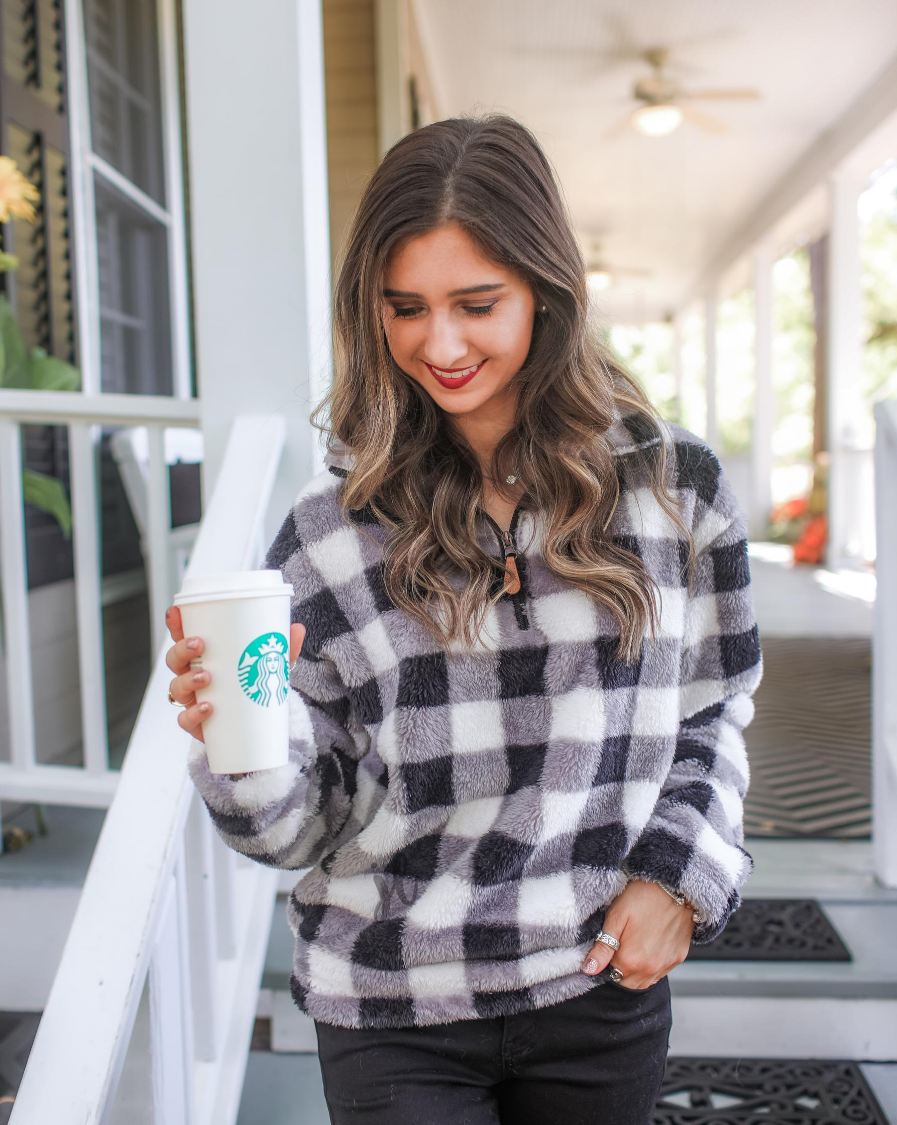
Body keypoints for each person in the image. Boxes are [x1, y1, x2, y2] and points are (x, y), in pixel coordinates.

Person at [165, 113, 762, 1125]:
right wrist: (241, 741)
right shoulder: (329, 531)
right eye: (405, 308)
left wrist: (679, 878)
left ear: (546, 292)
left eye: (476, 304)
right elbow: (302, 828)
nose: (438, 345)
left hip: (596, 983)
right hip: (390, 1001)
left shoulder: (675, 490)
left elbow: (714, 711)